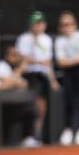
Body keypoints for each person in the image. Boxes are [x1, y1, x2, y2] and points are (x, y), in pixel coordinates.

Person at [16, 11, 57, 143]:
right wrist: (37, 61)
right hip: (29, 75)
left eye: (41, 23)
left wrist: (52, 79)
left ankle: (38, 134)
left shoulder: (47, 39)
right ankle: (29, 135)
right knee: (33, 105)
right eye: (36, 24)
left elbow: (48, 62)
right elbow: (22, 58)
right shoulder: (24, 38)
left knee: (42, 107)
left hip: (43, 75)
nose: (39, 26)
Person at [55, 11, 79, 146]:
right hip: (68, 73)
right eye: (63, 25)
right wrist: (74, 60)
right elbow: (60, 62)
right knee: (68, 101)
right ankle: (68, 130)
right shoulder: (59, 40)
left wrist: (69, 61)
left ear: (75, 25)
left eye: (69, 24)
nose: (66, 27)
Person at [0, 45, 39, 147]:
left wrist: (14, 80)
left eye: (17, 55)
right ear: (6, 56)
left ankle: (28, 138)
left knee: (31, 109)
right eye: (12, 55)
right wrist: (19, 71)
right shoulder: (0, 65)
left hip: (14, 103)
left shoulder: (15, 68)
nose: (15, 57)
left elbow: (24, 84)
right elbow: (5, 84)